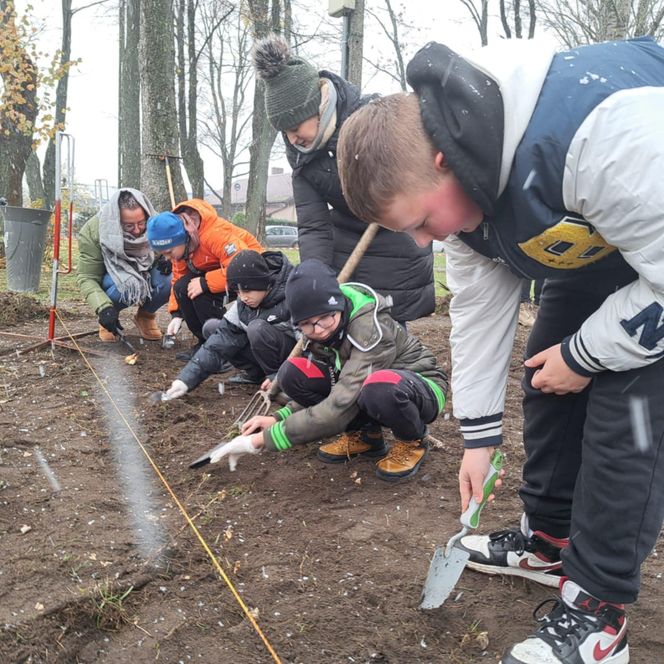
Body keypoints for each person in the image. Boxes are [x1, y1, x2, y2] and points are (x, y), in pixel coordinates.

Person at [336, 36, 664, 664]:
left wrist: (591, 355)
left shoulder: (600, 136)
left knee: (631, 407)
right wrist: (478, 438)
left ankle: (599, 617)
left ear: (442, 159)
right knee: (546, 368)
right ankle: (549, 539)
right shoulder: (462, 194)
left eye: (422, 223)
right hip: (608, 238)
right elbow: (481, 313)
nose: (426, 241)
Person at [206, 258, 448, 482]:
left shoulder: (370, 330)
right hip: (362, 389)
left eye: (325, 318)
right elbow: (338, 387)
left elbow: (339, 407)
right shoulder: (322, 331)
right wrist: (277, 418)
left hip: (421, 386)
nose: (319, 329)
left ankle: (412, 440)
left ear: (339, 306)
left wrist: (259, 441)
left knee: (378, 387)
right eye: (307, 324)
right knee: (295, 372)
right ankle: (366, 437)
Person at [252, 36, 435, 325]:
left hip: (396, 235)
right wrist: (315, 274)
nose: (292, 138)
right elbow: (313, 225)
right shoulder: (301, 157)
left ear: (317, 108)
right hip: (347, 241)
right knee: (345, 317)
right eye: (284, 132)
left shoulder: (369, 119)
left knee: (387, 323)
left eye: (295, 127)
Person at [160, 249, 297, 400]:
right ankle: (256, 375)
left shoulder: (292, 296)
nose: (243, 297)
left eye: (247, 290)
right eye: (237, 292)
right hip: (267, 353)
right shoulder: (243, 304)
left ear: (264, 283)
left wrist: (285, 376)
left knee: (256, 329)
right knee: (213, 329)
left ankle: (278, 381)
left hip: (293, 361)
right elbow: (217, 344)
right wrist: (185, 380)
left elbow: (308, 343)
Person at [146, 199, 263, 360]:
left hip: (250, 275)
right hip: (217, 272)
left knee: (201, 295)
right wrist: (177, 313)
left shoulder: (214, 234)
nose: (167, 258)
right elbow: (178, 278)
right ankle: (205, 342)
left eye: (169, 252)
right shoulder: (182, 246)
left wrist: (205, 282)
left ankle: (224, 347)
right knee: (182, 288)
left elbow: (242, 268)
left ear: (183, 237)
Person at [77, 188, 170, 342]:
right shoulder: (93, 231)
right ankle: (110, 316)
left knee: (170, 278)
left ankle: (145, 315)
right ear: (116, 220)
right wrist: (104, 308)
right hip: (113, 279)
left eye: (141, 223)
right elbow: (87, 277)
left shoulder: (158, 223)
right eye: (128, 226)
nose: (137, 230)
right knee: (126, 285)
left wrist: (168, 260)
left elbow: (174, 251)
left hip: (146, 272)